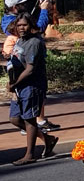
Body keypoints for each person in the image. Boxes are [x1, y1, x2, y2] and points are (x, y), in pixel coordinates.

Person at [7, 14, 57, 165]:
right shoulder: (20, 41)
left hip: (32, 85)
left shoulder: (34, 43)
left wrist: (15, 83)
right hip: (19, 86)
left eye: (25, 25)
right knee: (15, 118)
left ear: (31, 26)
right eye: (19, 25)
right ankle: (47, 139)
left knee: (30, 119)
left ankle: (29, 154)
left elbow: (30, 69)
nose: (21, 28)